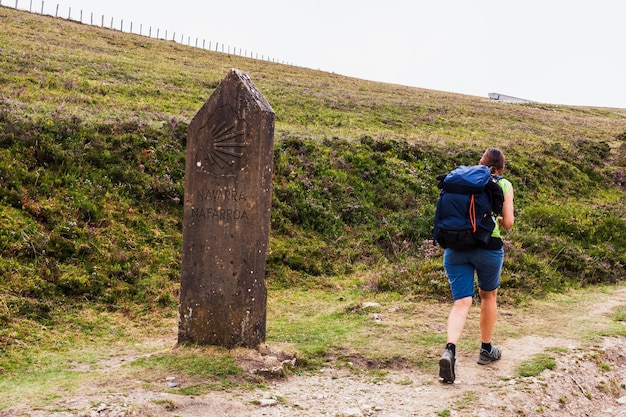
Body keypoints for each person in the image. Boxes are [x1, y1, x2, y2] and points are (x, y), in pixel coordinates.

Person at [438, 147, 515, 384]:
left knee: (461, 303)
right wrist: (497, 221)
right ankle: (486, 350)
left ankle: (450, 350)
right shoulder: (504, 184)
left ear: (480, 163)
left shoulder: (462, 179)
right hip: (488, 247)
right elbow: (509, 223)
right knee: (488, 296)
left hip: (456, 246)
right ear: (501, 168)